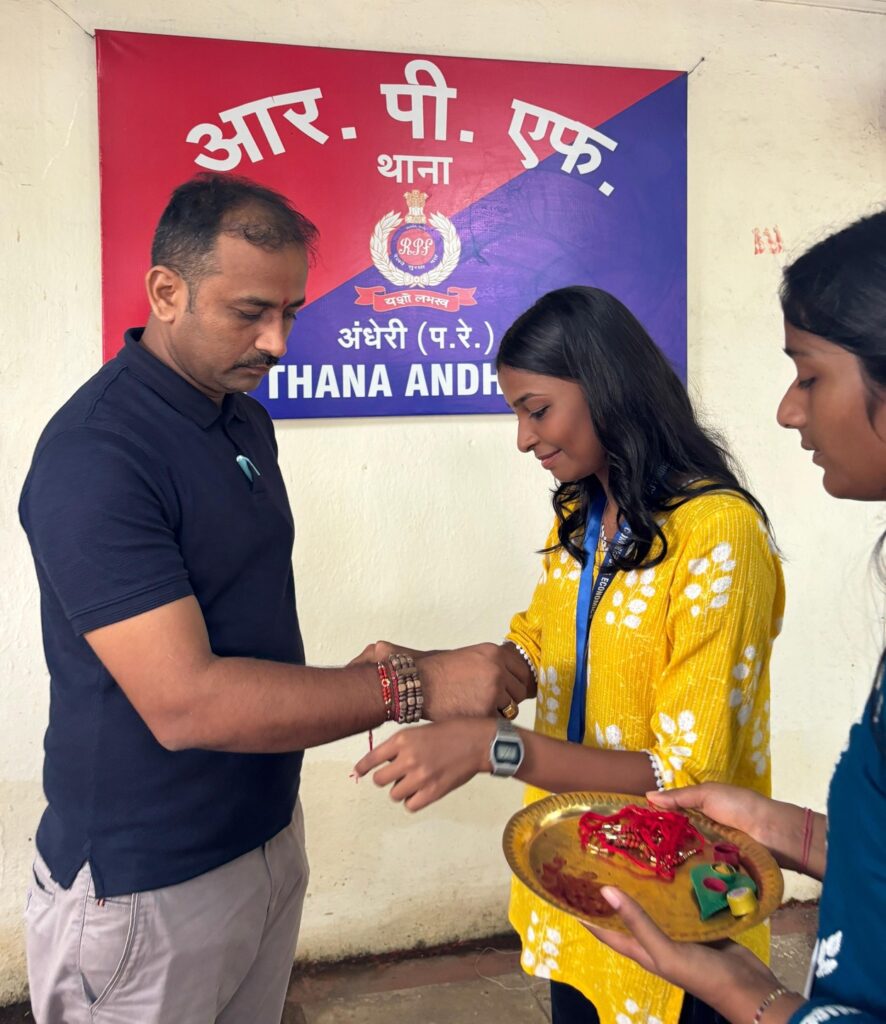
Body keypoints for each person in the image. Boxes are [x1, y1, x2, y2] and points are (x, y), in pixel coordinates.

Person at [18, 172, 529, 1024]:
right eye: (250, 312)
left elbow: (235, 619)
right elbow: (185, 702)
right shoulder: (98, 456)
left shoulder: (236, 413)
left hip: (262, 835)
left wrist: (370, 675)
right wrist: (414, 685)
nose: (278, 342)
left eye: (291, 311)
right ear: (166, 292)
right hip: (146, 886)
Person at [355, 286, 785, 1024]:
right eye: (518, 414)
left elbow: (684, 776)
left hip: (678, 902)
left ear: (606, 388)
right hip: (579, 881)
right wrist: (427, 673)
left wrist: (495, 748)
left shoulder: (719, 534)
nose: (524, 439)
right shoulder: (586, 513)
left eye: (537, 410)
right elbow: (541, 645)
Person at [587, 209, 886, 1024]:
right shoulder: (579, 520)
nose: (789, 411)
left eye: (809, 376)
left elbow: (681, 755)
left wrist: (750, 996)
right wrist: (783, 830)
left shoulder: (719, 529)